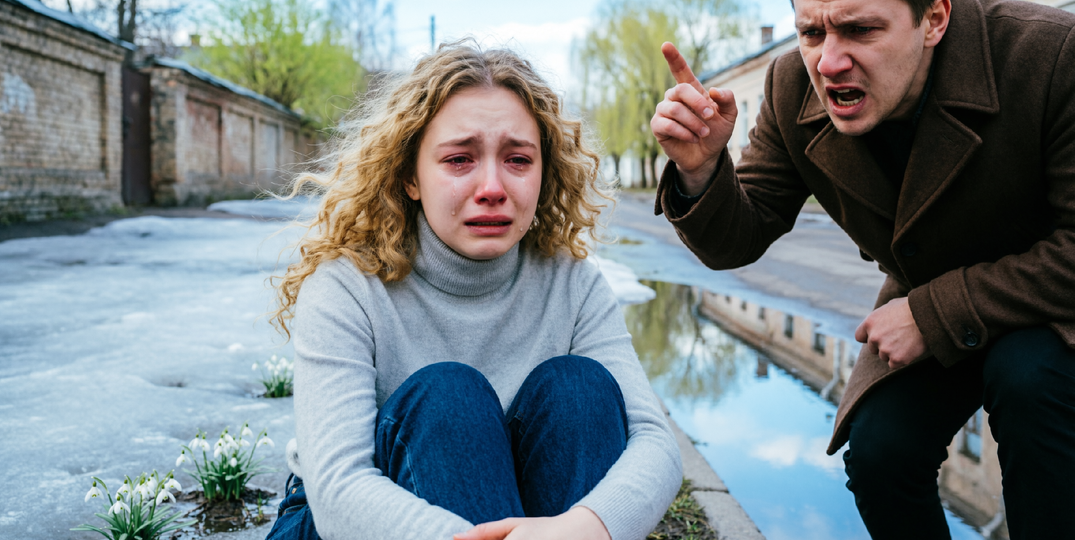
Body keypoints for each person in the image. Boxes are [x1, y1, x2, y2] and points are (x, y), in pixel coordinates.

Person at [650, 0, 1075, 538]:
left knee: (1029, 383)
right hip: (931, 298)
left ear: (934, 18)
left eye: (860, 29)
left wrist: (930, 315)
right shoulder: (791, 86)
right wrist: (702, 169)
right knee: (880, 453)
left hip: (1054, 300)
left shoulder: (1052, 53)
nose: (828, 62)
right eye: (811, 32)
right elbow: (741, 235)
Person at [266, 41, 682, 540]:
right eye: (460, 159)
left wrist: (586, 527)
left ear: (545, 171)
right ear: (410, 176)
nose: (492, 188)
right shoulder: (347, 286)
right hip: (347, 523)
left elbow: (655, 443)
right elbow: (338, 488)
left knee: (580, 390)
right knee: (448, 397)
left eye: (518, 159)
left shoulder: (573, 285)